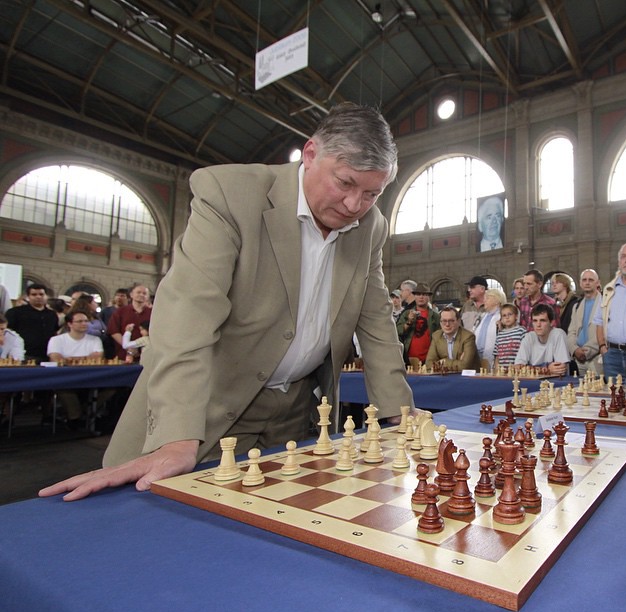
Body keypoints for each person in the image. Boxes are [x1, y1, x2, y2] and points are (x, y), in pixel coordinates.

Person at [40, 102, 414, 501]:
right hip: (206, 408)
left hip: (296, 413)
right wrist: (177, 436)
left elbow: (375, 319)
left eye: (372, 194)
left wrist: (399, 411)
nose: (355, 205)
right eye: (345, 183)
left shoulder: (371, 226)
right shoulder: (229, 193)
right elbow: (188, 316)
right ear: (310, 155)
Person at [47, 310, 106, 429]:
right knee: (63, 388)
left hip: (91, 377)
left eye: (86, 321)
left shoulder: (95, 340)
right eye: (79, 321)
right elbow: (56, 358)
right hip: (65, 377)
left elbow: (97, 357)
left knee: (111, 387)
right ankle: (76, 417)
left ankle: (85, 412)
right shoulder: (57, 340)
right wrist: (85, 358)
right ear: (69, 324)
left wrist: (70, 359)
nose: (84, 324)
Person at [593, 242, 626, 383]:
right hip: (612, 354)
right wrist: (602, 347)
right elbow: (599, 321)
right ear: (619, 262)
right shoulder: (608, 290)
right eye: (623, 257)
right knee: (614, 400)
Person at [5, 284, 59, 362]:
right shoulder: (15, 312)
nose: (38, 297)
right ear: (28, 297)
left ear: (46, 296)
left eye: (41, 294)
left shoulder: (52, 314)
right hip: (24, 355)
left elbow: (54, 333)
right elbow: (8, 332)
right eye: (34, 294)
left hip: (46, 355)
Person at [514, 303, 570, 375]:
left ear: (551, 322)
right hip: (534, 382)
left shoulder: (558, 334)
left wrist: (531, 368)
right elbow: (517, 367)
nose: (538, 325)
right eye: (535, 321)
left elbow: (561, 369)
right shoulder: (528, 337)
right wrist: (546, 368)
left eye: (542, 320)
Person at [567, 269, 602, 376]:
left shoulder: (605, 304)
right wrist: (575, 349)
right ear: (580, 283)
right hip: (579, 359)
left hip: (596, 357)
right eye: (584, 280)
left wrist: (587, 351)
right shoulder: (576, 306)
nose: (587, 282)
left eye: (591, 280)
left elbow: (605, 331)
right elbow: (571, 331)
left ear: (598, 283)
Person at [396, 283, 440, 365]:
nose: (421, 297)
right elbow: (397, 331)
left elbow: (440, 338)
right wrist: (409, 322)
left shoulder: (435, 316)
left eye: (424, 294)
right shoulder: (406, 313)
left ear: (429, 297)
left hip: (429, 359)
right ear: (414, 296)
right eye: (418, 294)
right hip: (408, 359)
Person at [425, 306, 480, 371]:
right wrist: (458, 362)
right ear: (440, 322)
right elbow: (429, 364)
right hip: (445, 377)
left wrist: (443, 362)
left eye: (451, 321)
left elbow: (465, 366)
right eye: (444, 321)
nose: (447, 324)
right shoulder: (436, 336)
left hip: (467, 379)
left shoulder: (468, 337)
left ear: (459, 321)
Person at [107, 284, 152, 361]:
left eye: (144, 293)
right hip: (124, 355)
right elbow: (114, 331)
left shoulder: (152, 313)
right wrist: (129, 347)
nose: (141, 295)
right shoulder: (120, 312)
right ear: (131, 295)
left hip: (147, 356)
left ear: (148, 297)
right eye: (138, 292)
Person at [473, 288, 506, 365]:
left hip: (494, 357)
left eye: (487, 298)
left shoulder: (502, 317)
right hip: (478, 355)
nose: (484, 301)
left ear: (497, 301)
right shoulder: (482, 316)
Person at [493, 303, 526, 369]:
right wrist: (496, 367)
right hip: (502, 371)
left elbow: (526, 351)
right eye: (504, 315)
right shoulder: (500, 334)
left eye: (510, 314)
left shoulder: (521, 331)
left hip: (517, 369)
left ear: (516, 316)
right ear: (501, 319)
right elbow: (497, 355)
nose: (507, 317)